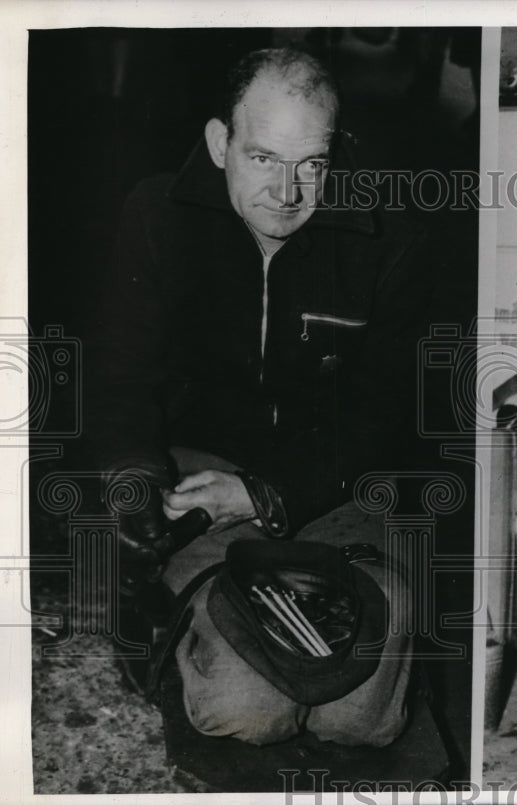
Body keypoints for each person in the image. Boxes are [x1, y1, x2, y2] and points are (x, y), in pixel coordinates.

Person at [87, 47, 427, 683]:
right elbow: (120, 375)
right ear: (221, 144)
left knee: (355, 712)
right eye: (263, 158)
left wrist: (266, 494)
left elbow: (387, 411)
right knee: (242, 710)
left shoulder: (393, 239)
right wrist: (133, 476)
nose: (287, 193)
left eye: (311, 164)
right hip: (193, 474)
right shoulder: (157, 213)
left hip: (335, 480)